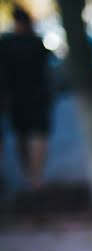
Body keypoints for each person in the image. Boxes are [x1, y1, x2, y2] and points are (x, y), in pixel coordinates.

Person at [0, 5, 53, 189]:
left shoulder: (6, 44)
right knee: (36, 135)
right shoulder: (36, 42)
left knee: (23, 136)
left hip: (18, 97)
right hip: (36, 96)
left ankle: (29, 174)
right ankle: (35, 176)